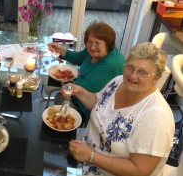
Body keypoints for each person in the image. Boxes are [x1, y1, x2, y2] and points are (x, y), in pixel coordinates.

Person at [68, 42, 175, 176]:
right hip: (83, 156)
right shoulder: (118, 81)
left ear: (157, 78)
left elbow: (140, 170)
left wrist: (91, 156)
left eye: (142, 73)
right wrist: (79, 92)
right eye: (130, 67)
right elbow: (98, 103)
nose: (132, 76)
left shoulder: (156, 117)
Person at [48, 21, 126, 124]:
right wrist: (62, 50)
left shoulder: (109, 65)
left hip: (90, 108)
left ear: (108, 44)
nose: (93, 46)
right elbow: (78, 58)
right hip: (80, 87)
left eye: (98, 43)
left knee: (59, 98)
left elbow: (84, 89)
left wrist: (67, 83)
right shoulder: (96, 51)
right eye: (90, 42)